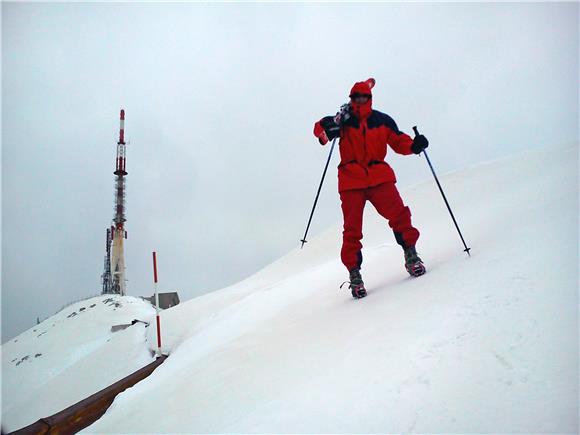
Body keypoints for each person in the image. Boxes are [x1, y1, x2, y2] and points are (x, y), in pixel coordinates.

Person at [313, 78, 429, 299]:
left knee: (399, 215)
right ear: (351, 99)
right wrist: (327, 127)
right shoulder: (342, 121)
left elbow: (398, 141)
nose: (360, 100)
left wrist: (414, 146)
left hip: (378, 176)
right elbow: (319, 131)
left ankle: (411, 255)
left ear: (370, 98)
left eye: (364, 96)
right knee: (352, 230)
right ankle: (355, 276)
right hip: (351, 181)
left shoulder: (382, 121)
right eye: (356, 97)